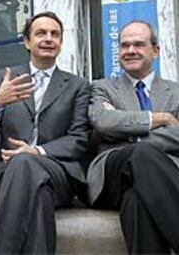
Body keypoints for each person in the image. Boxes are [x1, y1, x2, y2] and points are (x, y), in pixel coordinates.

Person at [0, 11, 91, 254]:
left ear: (60, 43)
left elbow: (79, 139)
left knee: (26, 161)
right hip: (6, 174)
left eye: (55, 34)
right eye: (41, 33)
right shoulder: (5, 79)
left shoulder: (78, 86)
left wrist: (36, 151)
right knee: (38, 197)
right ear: (27, 42)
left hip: (58, 172)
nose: (49, 38)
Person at [87, 20, 179, 254]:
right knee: (143, 153)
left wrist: (127, 130)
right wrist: (160, 119)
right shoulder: (102, 87)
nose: (130, 51)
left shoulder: (175, 91)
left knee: (137, 199)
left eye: (138, 44)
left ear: (156, 51)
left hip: (157, 175)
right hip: (112, 171)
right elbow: (103, 122)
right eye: (124, 45)